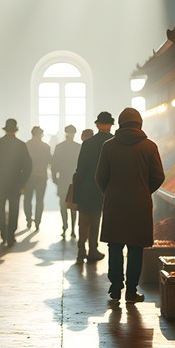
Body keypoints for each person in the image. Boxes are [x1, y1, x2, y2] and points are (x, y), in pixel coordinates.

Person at [95, 107, 165, 303]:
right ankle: (132, 291)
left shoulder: (108, 146)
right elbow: (159, 176)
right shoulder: (149, 146)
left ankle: (116, 287)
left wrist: (110, 193)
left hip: (114, 203)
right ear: (140, 124)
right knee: (136, 248)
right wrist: (144, 190)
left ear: (120, 124)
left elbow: (100, 176)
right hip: (139, 204)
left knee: (114, 246)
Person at [72, 111, 114, 264]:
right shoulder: (114, 142)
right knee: (96, 220)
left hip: (85, 188)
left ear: (97, 124)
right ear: (110, 125)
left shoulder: (88, 144)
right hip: (104, 189)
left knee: (83, 221)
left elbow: (80, 170)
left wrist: (76, 195)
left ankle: (81, 250)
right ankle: (93, 250)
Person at [0, 119, 31, 246]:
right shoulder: (21, 144)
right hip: (16, 183)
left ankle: (3, 233)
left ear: (5, 129)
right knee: (14, 209)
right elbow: (28, 166)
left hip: (0, 182)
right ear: (16, 130)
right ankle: (11, 234)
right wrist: (23, 183)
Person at [51, 124, 81, 239]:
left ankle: (65, 227)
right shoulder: (78, 147)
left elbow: (54, 164)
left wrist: (55, 179)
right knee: (73, 206)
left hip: (63, 180)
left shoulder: (59, 147)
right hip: (74, 180)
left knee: (63, 205)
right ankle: (73, 229)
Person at [24, 126, 51, 230]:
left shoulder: (26, 145)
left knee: (27, 199)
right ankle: (37, 222)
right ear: (41, 134)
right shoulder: (46, 146)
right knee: (40, 200)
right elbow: (50, 161)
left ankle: (28, 220)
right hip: (42, 176)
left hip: (29, 177)